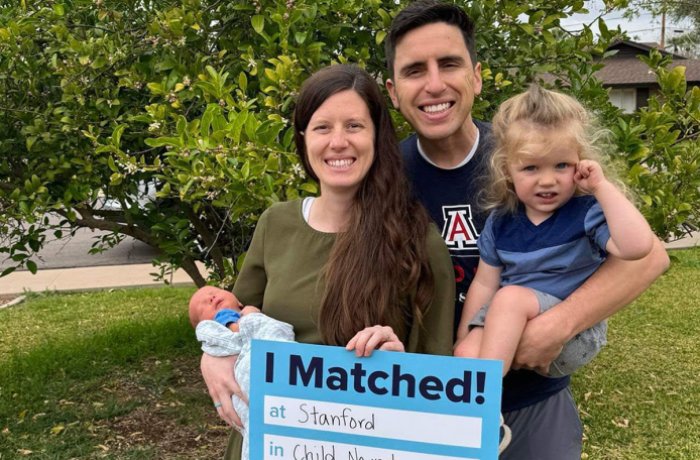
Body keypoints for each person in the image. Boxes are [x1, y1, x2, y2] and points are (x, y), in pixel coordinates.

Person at [383, 1, 669, 459]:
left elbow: (649, 256)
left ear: (475, 76)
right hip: (425, 400)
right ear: (394, 91)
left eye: (449, 64)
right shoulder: (384, 175)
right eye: (416, 70)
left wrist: (556, 325)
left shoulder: (533, 150)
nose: (434, 84)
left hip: (533, 399)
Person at [199, 64, 456, 460]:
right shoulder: (275, 224)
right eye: (322, 127)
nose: (338, 142)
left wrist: (400, 367)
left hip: (367, 444)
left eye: (354, 126)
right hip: (269, 444)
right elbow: (229, 321)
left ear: (377, 137)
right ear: (304, 140)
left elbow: (440, 380)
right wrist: (213, 356)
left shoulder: (417, 240)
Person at [453, 85, 655, 381]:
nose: (547, 181)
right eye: (531, 168)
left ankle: (486, 401)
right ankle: (477, 415)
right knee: (465, 353)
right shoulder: (501, 222)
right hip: (511, 321)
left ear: (580, 162)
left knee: (509, 299)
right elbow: (484, 284)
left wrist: (601, 188)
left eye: (561, 165)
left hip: (572, 334)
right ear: (508, 170)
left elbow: (638, 247)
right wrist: (462, 335)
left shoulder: (586, 212)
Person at [189, 286, 295, 460]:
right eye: (201, 305)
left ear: (238, 301)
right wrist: (250, 317)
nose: (210, 297)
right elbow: (233, 335)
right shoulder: (219, 324)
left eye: (215, 292)